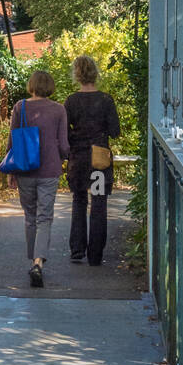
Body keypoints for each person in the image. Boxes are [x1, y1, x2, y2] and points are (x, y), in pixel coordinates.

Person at [7, 68, 70, 287]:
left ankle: (33, 261)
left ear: (31, 85)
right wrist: (63, 158)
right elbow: (63, 145)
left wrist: (12, 170)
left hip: (25, 169)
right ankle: (38, 262)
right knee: (45, 217)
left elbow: (13, 140)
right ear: (50, 87)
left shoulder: (19, 107)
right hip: (50, 170)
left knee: (30, 216)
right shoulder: (59, 110)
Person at [64, 54, 120, 266]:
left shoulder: (71, 101)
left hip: (78, 158)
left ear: (77, 75)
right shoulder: (106, 100)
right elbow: (115, 131)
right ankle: (95, 255)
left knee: (79, 201)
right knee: (98, 204)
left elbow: (64, 133)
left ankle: (77, 249)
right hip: (99, 159)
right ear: (95, 73)